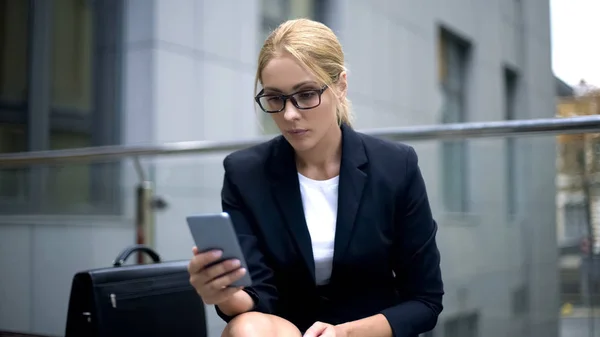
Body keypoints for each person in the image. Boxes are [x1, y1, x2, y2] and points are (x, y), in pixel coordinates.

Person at [188, 18, 444, 337]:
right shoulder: (245, 173)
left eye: (306, 94)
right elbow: (256, 296)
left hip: (365, 332)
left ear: (340, 85)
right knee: (245, 328)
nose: (289, 114)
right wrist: (224, 294)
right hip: (282, 330)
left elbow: (424, 301)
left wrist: (344, 334)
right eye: (274, 98)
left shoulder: (395, 166)